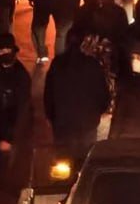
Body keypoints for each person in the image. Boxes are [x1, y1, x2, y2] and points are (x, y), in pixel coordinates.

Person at [45, 28, 111, 163]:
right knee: (85, 162)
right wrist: (97, 113)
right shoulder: (93, 65)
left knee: (62, 162)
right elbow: (103, 94)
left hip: (62, 125)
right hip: (87, 124)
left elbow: (48, 95)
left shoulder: (57, 64)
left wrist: (52, 117)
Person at [0, 33, 32, 175]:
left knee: (5, 168)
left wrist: (8, 137)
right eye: (1, 51)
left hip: (10, 131)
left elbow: (22, 110)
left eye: (6, 51)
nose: (3, 54)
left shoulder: (20, 76)